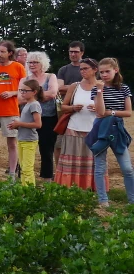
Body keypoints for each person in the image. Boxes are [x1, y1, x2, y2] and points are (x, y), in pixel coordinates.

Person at [91, 58, 134, 207]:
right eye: (101, 72)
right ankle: (103, 201)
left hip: (118, 128)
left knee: (127, 168)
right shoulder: (96, 89)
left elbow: (128, 112)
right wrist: (100, 90)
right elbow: (100, 112)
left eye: (107, 71)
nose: (103, 75)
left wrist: (112, 112)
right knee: (100, 166)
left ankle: (132, 201)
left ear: (115, 70)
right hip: (101, 128)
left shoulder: (124, 88)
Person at [0, 40, 27, 179]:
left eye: (2, 51)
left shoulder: (18, 67)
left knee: (12, 144)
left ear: (10, 53)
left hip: (11, 111)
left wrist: (12, 93)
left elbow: (24, 89)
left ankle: (12, 174)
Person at [54, 58, 100, 190]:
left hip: (94, 130)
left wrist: (98, 109)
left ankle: (90, 187)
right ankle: (69, 187)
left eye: (85, 68)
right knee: (71, 161)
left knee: (92, 162)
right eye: (81, 69)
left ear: (95, 70)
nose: (82, 71)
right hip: (73, 129)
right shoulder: (75, 86)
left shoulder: (102, 86)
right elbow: (63, 106)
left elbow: (107, 109)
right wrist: (73, 108)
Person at [26, 52, 59, 180]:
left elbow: (53, 93)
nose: (32, 65)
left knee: (46, 150)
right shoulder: (25, 79)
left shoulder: (51, 76)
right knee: (26, 148)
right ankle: (24, 177)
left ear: (42, 64)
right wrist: (40, 96)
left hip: (48, 118)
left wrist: (30, 95)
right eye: (30, 62)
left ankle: (47, 179)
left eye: (35, 62)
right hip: (29, 119)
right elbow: (19, 97)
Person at [11, 79, 44, 186]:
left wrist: (19, 124)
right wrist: (17, 125)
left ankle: (30, 192)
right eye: (21, 90)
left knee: (27, 168)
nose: (22, 93)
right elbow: (27, 122)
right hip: (22, 139)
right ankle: (24, 190)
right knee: (23, 168)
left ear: (34, 92)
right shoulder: (27, 104)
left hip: (29, 140)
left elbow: (38, 124)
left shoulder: (34, 105)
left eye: (25, 91)